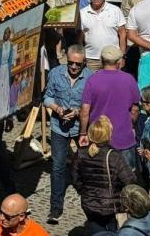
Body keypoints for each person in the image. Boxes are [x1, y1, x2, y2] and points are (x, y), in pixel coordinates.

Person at [42, 44, 91, 224]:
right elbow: (47, 97)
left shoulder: (90, 78)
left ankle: (90, 202)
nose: (74, 67)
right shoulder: (55, 73)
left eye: (78, 64)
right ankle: (56, 207)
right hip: (58, 126)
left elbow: (93, 106)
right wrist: (56, 108)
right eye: (71, 63)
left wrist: (78, 112)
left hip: (80, 127)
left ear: (84, 63)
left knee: (87, 164)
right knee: (57, 166)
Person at [80, 45, 141, 170]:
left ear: (102, 61)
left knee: (101, 178)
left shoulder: (92, 80)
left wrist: (83, 132)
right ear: (119, 62)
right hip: (124, 137)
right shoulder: (129, 79)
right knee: (127, 180)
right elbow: (135, 109)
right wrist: (130, 124)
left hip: (99, 138)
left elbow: (85, 110)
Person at [73, 115, 137, 233]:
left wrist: (85, 192)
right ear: (108, 135)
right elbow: (130, 181)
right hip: (111, 205)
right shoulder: (114, 156)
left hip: (89, 203)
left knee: (96, 231)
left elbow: (75, 179)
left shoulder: (80, 154)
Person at [79, 0, 127, 72]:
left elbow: (122, 33)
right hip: (91, 59)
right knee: (93, 85)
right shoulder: (82, 13)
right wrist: (82, 56)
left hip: (113, 58)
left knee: (112, 85)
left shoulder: (115, 10)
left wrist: (122, 56)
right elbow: (79, 37)